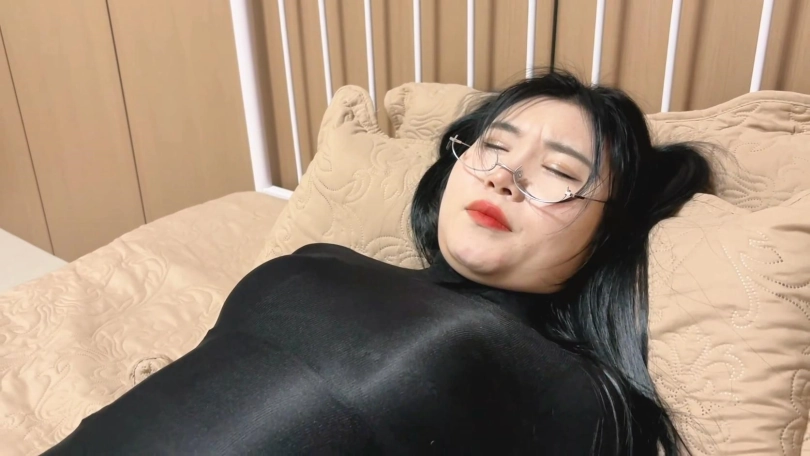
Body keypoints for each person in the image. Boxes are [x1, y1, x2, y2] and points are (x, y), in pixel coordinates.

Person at [44, 71, 712, 455]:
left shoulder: (574, 390)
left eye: (560, 173)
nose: (503, 176)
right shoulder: (322, 261)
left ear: (607, 235)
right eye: (492, 147)